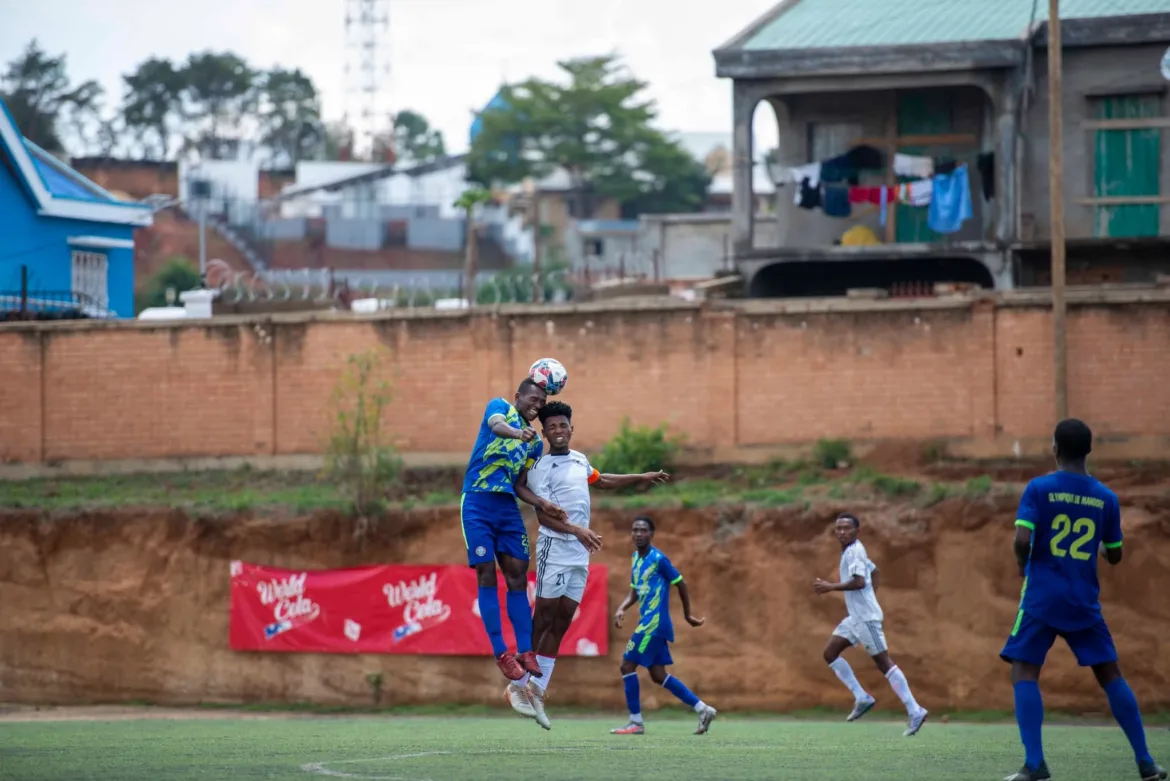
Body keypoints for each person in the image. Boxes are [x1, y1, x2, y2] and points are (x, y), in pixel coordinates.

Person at [999, 419, 1165, 781]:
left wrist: (1022, 565)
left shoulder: (1039, 488)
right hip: (1083, 601)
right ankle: (1146, 762)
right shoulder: (1106, 498)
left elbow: (1022, 539)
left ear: (1055, 449)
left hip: (1042, 598)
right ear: (1089, 451)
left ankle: (1035, 765)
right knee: (1109, 673)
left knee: (1024, 670)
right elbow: (1115, 554)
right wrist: (1099, 548)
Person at [505, 401, 670, 729]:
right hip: (556, 547)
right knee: (544, 617)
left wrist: (641, 476)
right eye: (552, 427)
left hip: (580, 551)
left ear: (571, 429)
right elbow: (542, 516)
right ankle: (517, 684)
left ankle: (538, 688)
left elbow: (602, 479)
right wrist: (577, 530)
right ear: (544, 433)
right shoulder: (540, 466)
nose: (558, 431)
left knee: (563, 619)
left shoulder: (580, 460)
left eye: (563, 425)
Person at [461, 378, 567, 682]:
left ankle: (525, 651)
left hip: (507, 508)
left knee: (518, 577)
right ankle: (501, 654)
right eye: (533, 400)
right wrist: (518, 432)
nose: (537, 406)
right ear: (518, 396)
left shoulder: (535, 444)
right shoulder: (500, 408)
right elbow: (496, 426)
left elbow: (520, 485)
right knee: (486, 574)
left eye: (541, 403)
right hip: (477, 502)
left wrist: (542, 503)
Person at [814, 512, 928, 737]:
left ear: (857, 531)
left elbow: (859, 581)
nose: (842, 532)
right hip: (855, 618)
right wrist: (869, 597)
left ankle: (915, 710)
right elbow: (875, 572)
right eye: (838, 528)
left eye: (847, 528)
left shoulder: (855, 550)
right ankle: (862, 697)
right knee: (830, 653)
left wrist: (830, 587)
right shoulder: (852, 551)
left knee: (883, 662)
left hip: (866, 618)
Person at [610, 516, 717, 736]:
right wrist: (622, 608)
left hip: (653, 624)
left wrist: (687, 615)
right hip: (649, 624)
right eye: (635, 530)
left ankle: (636, 722)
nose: (638, 534)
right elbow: (634, 591)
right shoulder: (635, 559)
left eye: (643, 530)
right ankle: (703, 709)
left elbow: (680, 583)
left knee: (626, 666)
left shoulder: (659, 559)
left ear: (652, 534)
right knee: (658, 675)